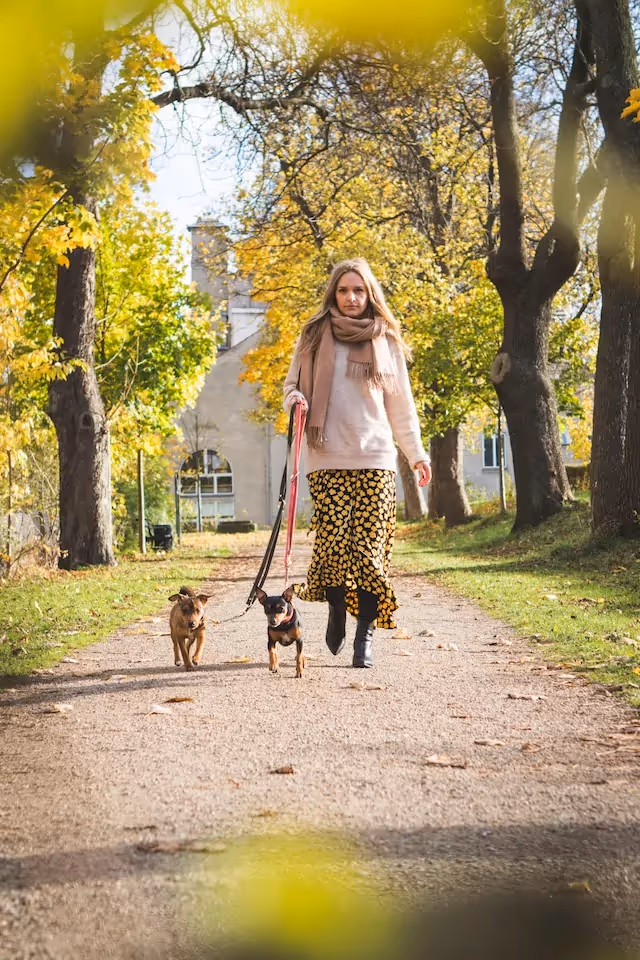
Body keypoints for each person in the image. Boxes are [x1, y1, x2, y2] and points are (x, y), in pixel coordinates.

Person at [283, 257, 431, 669]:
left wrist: (416, 453)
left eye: (359, 291)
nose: (351, 298)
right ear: (334, 293)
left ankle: (364, 634)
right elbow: (292, 384)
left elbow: (401, 407)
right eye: (344, 290)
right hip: (325, 456)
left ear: (370, 295)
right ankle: (335, 607)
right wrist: (295, 399)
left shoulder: (387, 341)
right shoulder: (313, 335)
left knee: (368, 555)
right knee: (332, 549)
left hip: (376, 457)